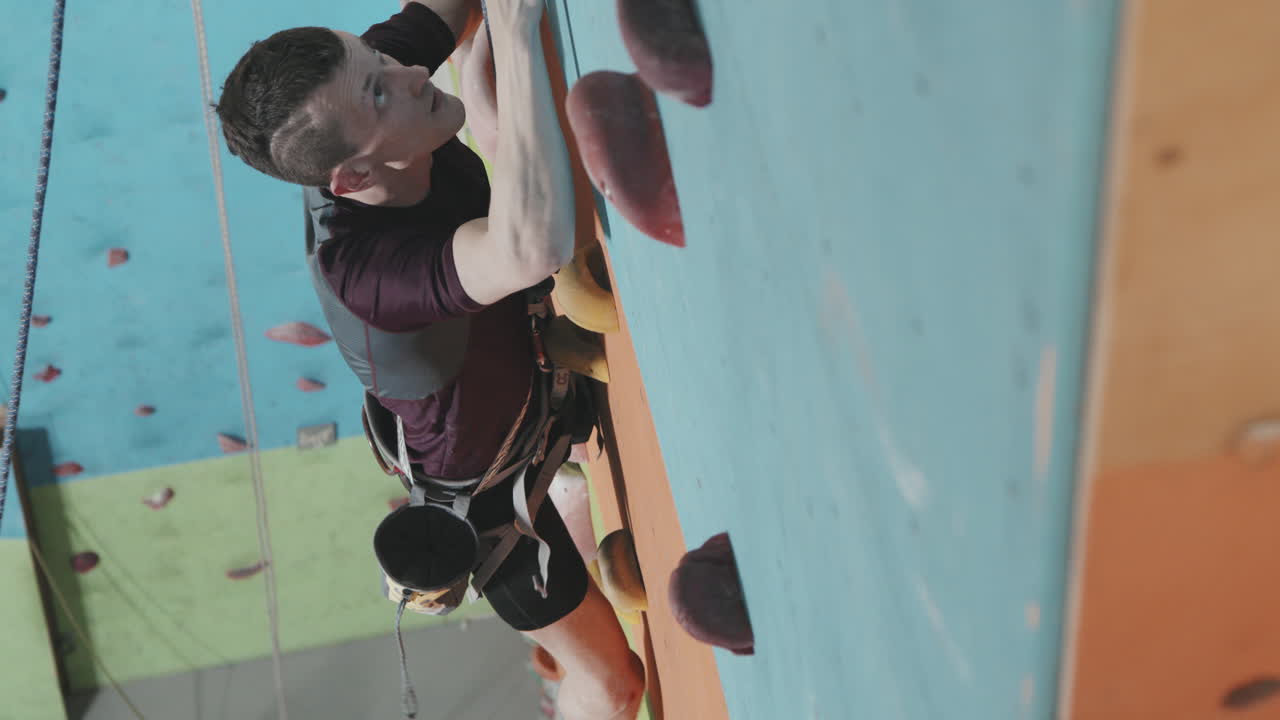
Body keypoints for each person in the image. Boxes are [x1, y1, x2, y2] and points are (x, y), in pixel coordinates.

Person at [215, 1, 644, 718]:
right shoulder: (363, 270)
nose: (411, 72)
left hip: (519, 367)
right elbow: (533, 245)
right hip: (486, 493)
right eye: (380, 88)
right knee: (613, 684)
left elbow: (445, 10)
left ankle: (568, 492)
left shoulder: (365, 88)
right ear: (348, 177)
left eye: (379, 60)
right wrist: (508, 37)